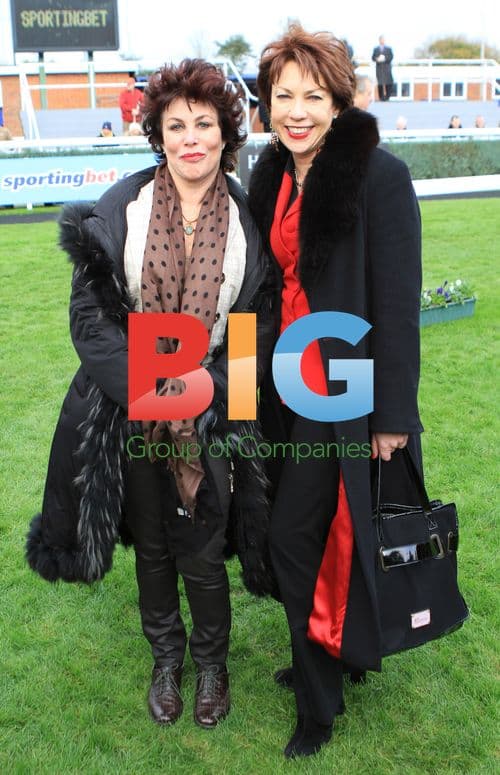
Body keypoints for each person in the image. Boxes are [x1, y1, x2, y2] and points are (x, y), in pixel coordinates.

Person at [26, 59, 275, 729]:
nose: (190, 138)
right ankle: (166, 660)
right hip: (132, 411)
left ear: (227, 133)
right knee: (157, 546)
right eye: (175, 126)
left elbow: (255, 335)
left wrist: (206, 394)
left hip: (211, 417)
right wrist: (148, 392)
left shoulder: (249, 226)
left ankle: (212, 666)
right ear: (157, 134)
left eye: (203, 124)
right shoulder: (123, 208)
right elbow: (91, 321)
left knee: (203, 546)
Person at [248, 24, 422, 759]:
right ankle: (334, 650)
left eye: (312, 96)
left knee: (297, 537)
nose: (295, 110)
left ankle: (319, 707)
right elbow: (254, 291)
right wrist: (240, 400)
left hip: (341, 391)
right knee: (307, 533)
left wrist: (392, 413)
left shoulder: (377, 175)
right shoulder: (271, 172)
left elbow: (397, 301)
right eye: (282, 95)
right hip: (282, 386)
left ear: (339, 100)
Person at [371, 35, 394, 101]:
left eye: (383, 40)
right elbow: (373, 58)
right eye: (381, 40)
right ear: (379, 40)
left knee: (388, 82)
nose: (382, 41)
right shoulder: (376, 49)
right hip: (379, 68)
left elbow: (391, 57)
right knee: (380, 83)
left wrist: (385, 58)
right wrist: (377, 59)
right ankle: (381, 97)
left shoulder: (389, 49)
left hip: (387, 68)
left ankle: (387, 97)